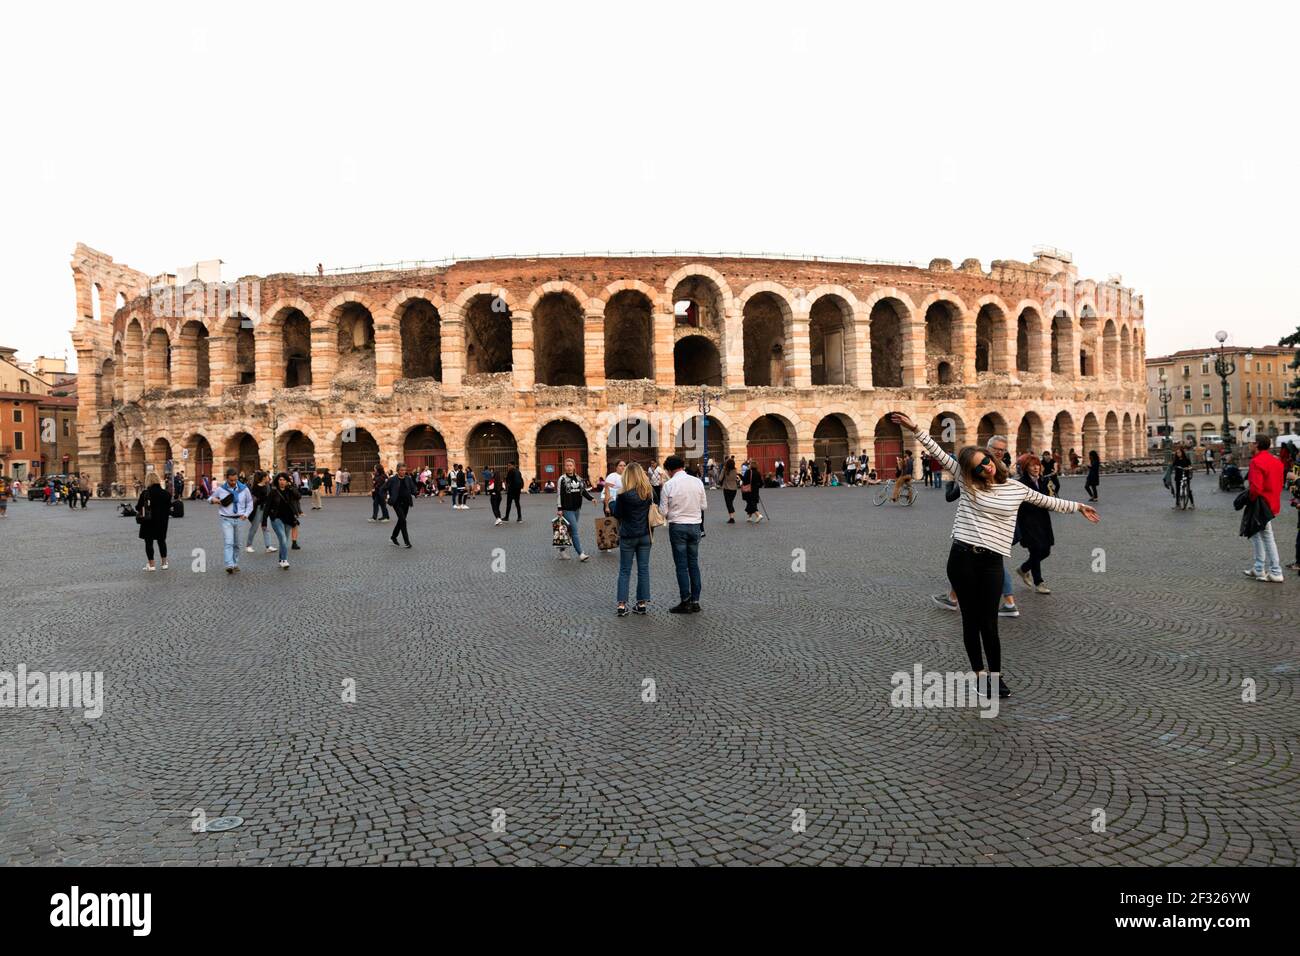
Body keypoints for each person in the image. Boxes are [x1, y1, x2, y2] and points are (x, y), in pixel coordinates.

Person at [894, 412, 1099, 700]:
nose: (987, 468)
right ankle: (979, 674)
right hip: (963, 558)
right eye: (979, 467)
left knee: (989, 621)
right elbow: (937, 451)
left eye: (987, 461)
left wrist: (1078, 506)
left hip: (991, 561)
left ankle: (997, 675)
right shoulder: (967, 484)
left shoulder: (1015, 488)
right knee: (970, 619)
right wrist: (916, 428)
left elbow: (1046, 500)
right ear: (971, 473)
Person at [932, 433, 1022, 618]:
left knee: (984, 562)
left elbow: (951, 496)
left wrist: (954, 481)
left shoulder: (1000, 472)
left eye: (1001, 450)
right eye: (996, 449)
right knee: (975, 562)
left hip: (994, 526)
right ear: (987, 449)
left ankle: (1009, 602)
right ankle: (954, 596)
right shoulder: (999, 469)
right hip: (987, 525)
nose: (998, 452)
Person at [661, 454, 706, 613]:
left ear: (670, 469)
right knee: (693, 563)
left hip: (678, 527)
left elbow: (663, 511)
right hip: (695, 526)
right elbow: (703, 505)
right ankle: (695, 601)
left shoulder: (669, 485)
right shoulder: (697, 481)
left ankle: (685, 601)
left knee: (681, 566)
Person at [614, 462, 654, 617]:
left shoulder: (622, 495)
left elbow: (617, 514)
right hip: (645, 535)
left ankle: (622, 605)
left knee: (625, 570)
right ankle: (642, 604)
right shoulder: (648, 492)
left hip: (628, 535)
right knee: (643, 569)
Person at [1243, 435, 1285, 582]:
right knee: (1256, 533)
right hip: (1272, 502)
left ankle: (1275, 571)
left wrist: (1250, 500)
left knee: (1266, 536)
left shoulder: (1256, 462)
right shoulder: (1276, 461)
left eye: (1251, 443)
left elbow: (1255, 488)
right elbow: (1280, 483)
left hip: (1261, 504)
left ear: (1257, 445)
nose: (1249, 445)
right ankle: (1259, 567)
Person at [1013, 455, 1056, 594]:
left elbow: (1051, 499)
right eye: (1032, 465)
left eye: (1038, 465)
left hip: (1043, 520)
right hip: (1028, 522)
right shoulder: (1021, 483)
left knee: (1046, 551)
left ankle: (1024, 569)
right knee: (1036, 550)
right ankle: (1039, 582)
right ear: (1026, 468)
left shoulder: (1043, 481)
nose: (1036, 467)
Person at [208, 467, 253, 574]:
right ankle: (229, 564)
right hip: (226, 519)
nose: (233, 482)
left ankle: (235, 563)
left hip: (240, 519)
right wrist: (214, 500)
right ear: (226, 479)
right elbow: (210, 499)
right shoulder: (221, 489)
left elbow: (250, 503)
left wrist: (246, 514)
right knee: (228, 542)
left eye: (235, 480)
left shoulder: (244, 489)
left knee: (237, 544)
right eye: (231, 480)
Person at [555, 458, 594, 560]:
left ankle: (562, 550)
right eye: (567, 465)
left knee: (570, 531)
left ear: (574, 466)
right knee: (575, 531)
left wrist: (591, 498)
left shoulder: (579, 478)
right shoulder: (562, 479)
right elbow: (559, 495)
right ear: (564, 467)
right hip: (567, 510)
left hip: (577, 509)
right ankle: (581, 553)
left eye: (570, 465)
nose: (568, 467)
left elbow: (583, 491)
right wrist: (559, 509)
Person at [136, 474, 172, 572]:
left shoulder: (145, 493)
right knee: (161, 541)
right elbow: (169, 507)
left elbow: (138, 507)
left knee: (149, 542)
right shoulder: (166, 494)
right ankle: (164, 563)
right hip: (162, 522)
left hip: (148, 521)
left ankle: (151, 565)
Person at [264, 472, 300, 568]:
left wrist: (291, 487)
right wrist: (264, 521)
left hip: (288, 518)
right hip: (276, 518)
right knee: (283, 539)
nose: (282, 482)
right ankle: (284, 560)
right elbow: (267, 507)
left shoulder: (290, 490)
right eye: (280, 480)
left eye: (284, 480)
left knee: (284, 540)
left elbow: (298, 497)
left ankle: (280, 559)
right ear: (277, 481)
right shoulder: (273, 492)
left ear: (287, 481)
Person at [385, 462, 417, 548]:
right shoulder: (392, 479)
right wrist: (385, 498)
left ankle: (393, 538)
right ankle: (407, 542)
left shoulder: (408, 478)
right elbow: (383, 489)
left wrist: (415, 492)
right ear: (397, 470)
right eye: (401, 470)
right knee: (403, 520)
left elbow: (413, 487)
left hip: (406, 502)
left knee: (401, 520)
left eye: (405, 470)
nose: (403, 472)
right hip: (396, 502)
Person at [243, 470, 275, 554]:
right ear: (264, 478)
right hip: (258, 509)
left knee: (265, 527)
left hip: (265, 509)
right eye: (267, 476)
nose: (269, 478)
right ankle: (248, 546)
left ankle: (268, 546)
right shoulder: (256, 487)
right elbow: (256, 499)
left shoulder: (267, 486)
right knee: (254, 527)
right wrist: (265, 499)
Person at [720, 456, 740, 523]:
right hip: (734, 489)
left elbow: (720, 478)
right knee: (730, 502)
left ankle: (732, 517)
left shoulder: (725, 470)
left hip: (727, 488)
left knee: (728, 503)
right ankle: (731, 516)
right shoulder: (735, 470)